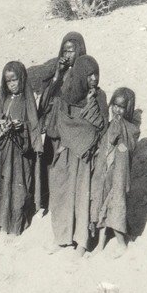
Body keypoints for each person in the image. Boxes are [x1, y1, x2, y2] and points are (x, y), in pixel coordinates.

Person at [47, 55, 107, 254]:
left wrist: (91, 106)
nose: (94, 78)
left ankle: (82, 241)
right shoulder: (67, 96)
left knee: (83, 196)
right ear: (81, 76)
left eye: (96, 74)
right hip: (68, 153)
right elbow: (61, 124)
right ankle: (62, 237)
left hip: (86, 156)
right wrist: (75, 135)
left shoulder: (100, 97)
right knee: (63, 195)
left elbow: (101, 127)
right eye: (89, 75)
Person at [0, 61, 43, 235]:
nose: (12, 84)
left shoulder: (27, 100)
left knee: (16, 187)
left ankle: (13, 224)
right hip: (0, 149)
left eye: (14, 80)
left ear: (22, 79)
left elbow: (33, 125)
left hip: (18, 153)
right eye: (8, 81)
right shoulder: (4, 99)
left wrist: (21, 126)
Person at [35, 32, 88, 211]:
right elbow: (46, 97)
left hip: (70, 125)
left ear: (79, 51)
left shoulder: (84, 72)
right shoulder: (60, 70)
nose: (67, 55)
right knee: (50, 158)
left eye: (71, 51)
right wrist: (58, 73)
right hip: (54, 123)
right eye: (65, 51)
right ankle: (48, 199)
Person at [95, 87, 140, 256]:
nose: (116, 110)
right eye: (115, 105)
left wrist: (119, 128)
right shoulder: (111, 124)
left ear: (127, 109)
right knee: (103, 206)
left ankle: (122, 245)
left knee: (116, 208)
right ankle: (100, 245)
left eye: (121, 107)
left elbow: (125, 148)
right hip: (107, 172)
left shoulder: (130, 128)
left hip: (119, 176)